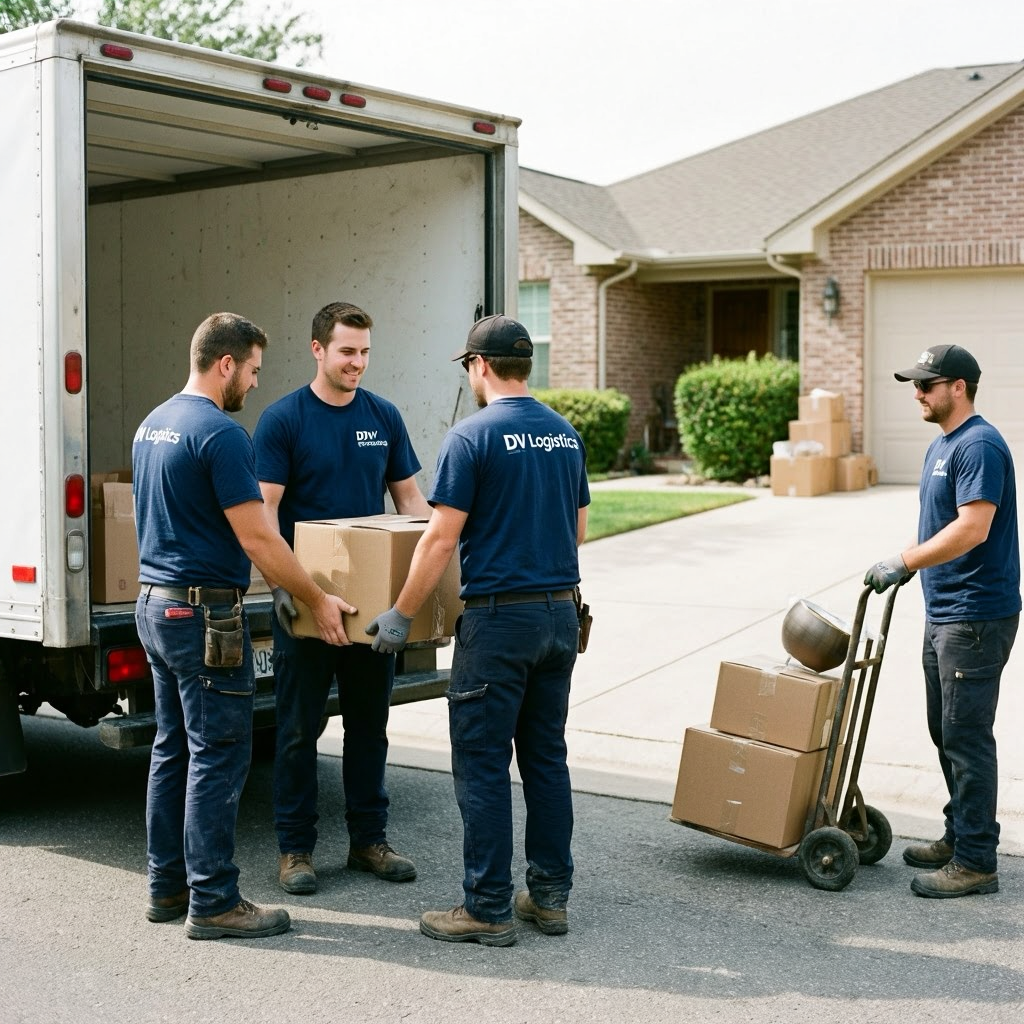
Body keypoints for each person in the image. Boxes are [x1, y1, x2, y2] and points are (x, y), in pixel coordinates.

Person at [366, 313, 590, 946]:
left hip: (498, 621)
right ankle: (548, 898)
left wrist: (401, 615)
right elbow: (577, 532)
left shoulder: (472, 438)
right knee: (545, 758)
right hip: (559, 614)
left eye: (468, 367)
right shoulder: (565, 435)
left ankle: (487, 908)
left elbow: (439, 540)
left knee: (484, 764)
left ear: (480, 367)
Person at [133, 312, 351, 940]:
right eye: (253, 370)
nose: (255, 383)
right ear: (225, 363)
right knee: (219, 756)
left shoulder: (155, 424)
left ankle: (167, 886)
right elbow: (260, 537)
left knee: (172, 749)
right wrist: (315, 595)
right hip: (203, 616)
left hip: (156, 605)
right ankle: (215, 902)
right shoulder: (219, 434)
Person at [253, 301, 430, 895]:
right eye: (347, 351)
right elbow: (265, 512)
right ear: (318, 349)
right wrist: (282, 588)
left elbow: (410, 505)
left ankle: (368, 842)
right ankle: (295, 850)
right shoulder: (283, 421)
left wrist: (425, 582)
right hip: (306, 604)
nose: (358, 363)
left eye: (365, 352)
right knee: (298, 729)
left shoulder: (383, 416)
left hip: (371, 609)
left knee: (369, 726)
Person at [865, 343, 1020, 899]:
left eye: (927, 384)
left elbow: (974, 528)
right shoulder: (944, 444)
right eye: (916, 384)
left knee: (966, 737)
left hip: (976, 617)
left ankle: (977, 860)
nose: (918, 393)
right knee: (945, 730)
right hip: (947, 613)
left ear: (959, 387)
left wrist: (906, 562)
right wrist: (903, 558)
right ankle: (961, 836)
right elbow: (938, 526)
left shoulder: (978, 444)